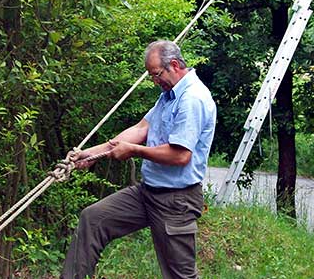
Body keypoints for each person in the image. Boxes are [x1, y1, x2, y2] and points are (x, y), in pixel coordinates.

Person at [61, 40, 217, 279]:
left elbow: (180, 155)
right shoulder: (168, 96)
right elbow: (141, 128)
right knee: (92, 220)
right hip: (147, 193)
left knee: (180, 276)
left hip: (176, 201)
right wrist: (93, 153)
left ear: (174, 65)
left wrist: (133, 151)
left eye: (156, 75)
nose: (154, 81)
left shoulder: (192, 98)